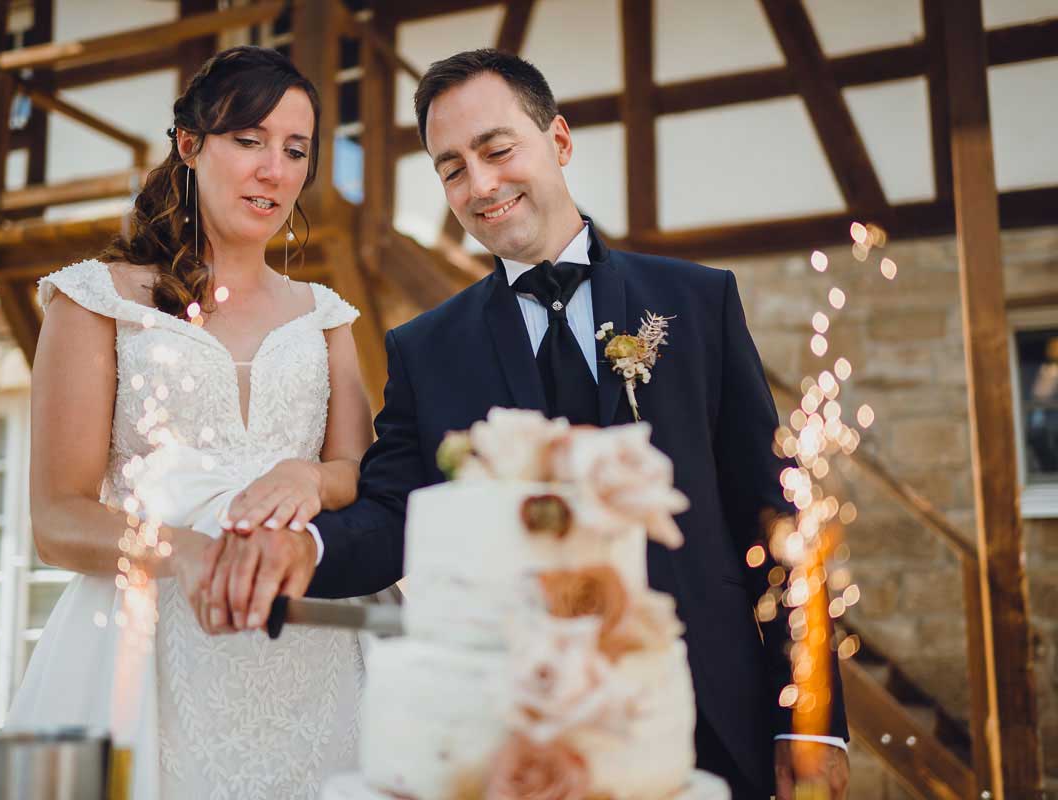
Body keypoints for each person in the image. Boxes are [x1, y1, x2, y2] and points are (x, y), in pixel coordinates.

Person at [203, 49, 851, 799]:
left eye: (497, 149)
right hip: (517, 736)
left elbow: (776, 517)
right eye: (451, 169)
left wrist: (810, 717)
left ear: (560, 141)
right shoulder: (425, 350)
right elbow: (391, 517)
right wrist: (301, 548)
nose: (480, 186)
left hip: (707, 719)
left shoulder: (695, 303)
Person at [8, 46, 372, 799]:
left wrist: (310, 476)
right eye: (249, 140)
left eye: (295, 149)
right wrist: (186, 552)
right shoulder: (95, 301)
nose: (274, 168)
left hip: (318, 655)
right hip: (148, 659)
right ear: (190, 144)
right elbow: (56, 519)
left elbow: (360, 476)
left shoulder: (324, 318)